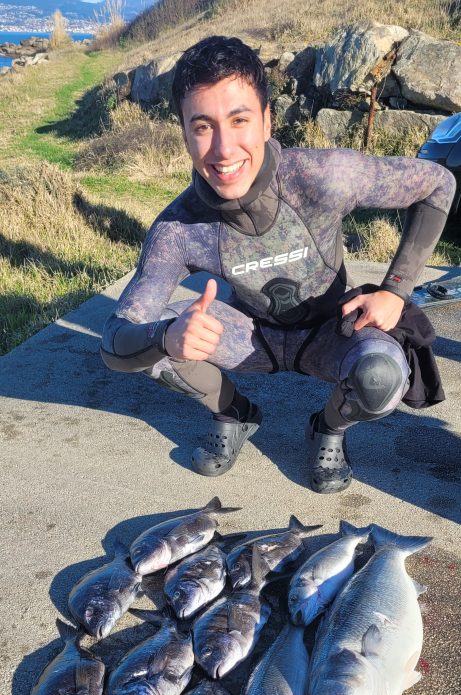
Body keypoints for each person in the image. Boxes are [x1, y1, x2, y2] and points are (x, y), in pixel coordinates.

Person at [101, 35, 456, 493]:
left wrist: (396, 289)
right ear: (185, 133)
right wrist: (164, 337)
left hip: (332, 330)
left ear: (268, 120)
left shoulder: (323, 178)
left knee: (380, 377)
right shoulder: (179, 227)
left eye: (239, 120)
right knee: (154, 350)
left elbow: (437, 185)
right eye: (203, 126)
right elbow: (114, 341)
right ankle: (234, 413)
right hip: (251, 337)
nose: (224, 150)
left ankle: (328, 428)